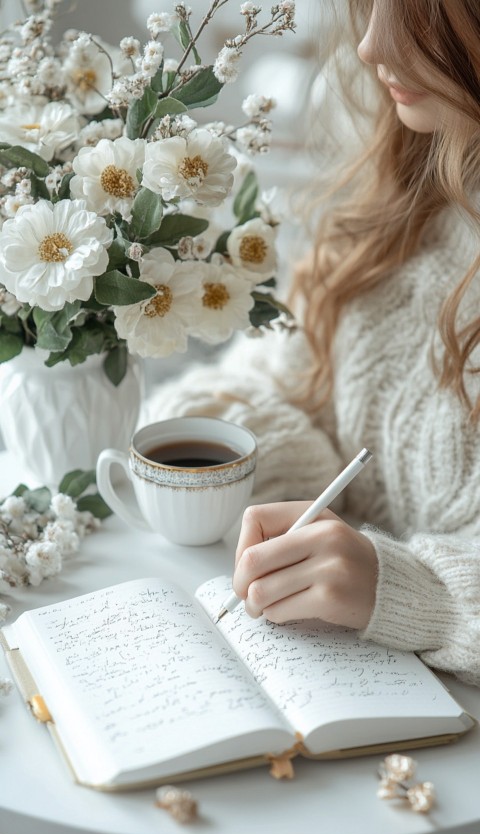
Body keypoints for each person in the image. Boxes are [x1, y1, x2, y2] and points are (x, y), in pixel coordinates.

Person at [144, 0, 480, 688]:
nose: (371, 46)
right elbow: (222, 394)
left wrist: (422, 596)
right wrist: (305, 478)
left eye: (420, 12)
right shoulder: (403, 204)